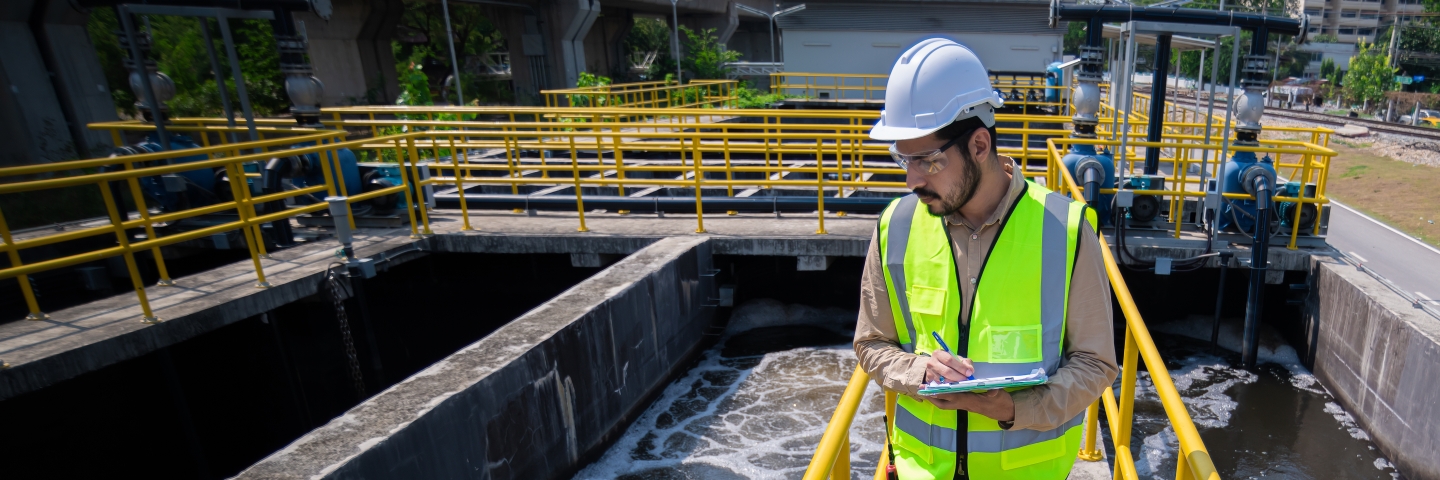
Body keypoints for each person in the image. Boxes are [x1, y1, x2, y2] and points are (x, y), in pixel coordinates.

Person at [854, 38, 1119, 480]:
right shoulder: (895, 227)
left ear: (979, 144)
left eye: (928, 161)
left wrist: (1012, 407)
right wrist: (917, 369)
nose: (911, 179)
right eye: (902, 158)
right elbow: (870, 343)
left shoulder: (1065, 230)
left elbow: (1096, 364)